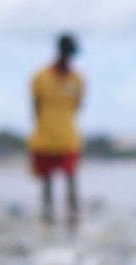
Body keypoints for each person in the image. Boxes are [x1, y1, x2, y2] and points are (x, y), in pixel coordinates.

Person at [29, 33, 85, 229]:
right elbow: (35, 106)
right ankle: (48, 217)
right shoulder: (40, 77)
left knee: (71, 178)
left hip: (68, 137)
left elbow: (78, 106)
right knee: (47, 180)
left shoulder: (78, 80)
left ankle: (72, 217)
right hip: (45, 135)